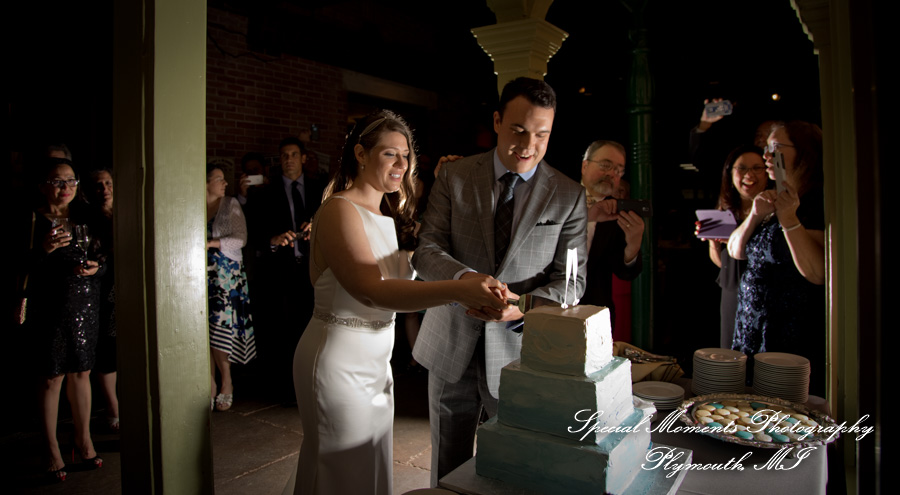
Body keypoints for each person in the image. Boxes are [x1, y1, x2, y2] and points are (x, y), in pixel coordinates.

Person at [282, 110, 507, 495]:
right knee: (340, 472)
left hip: (375, 363)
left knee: (368, 469)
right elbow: (373, 289)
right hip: (338, 362)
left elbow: (415, 262)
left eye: (406, 155)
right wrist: (456, 292)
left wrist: (465, 278)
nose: (402, 164)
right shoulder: (339, 209)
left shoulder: (384, 216)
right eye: (390, 154)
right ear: (361, 153)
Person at [412, 77, 588, 486]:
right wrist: (463, 279)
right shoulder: (455, 175)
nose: (529, 144)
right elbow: (427, 249)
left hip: (517, 354)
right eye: (519, 130)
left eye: (542, 134)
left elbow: (572, 282)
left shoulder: (568, 195)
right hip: (449, 342)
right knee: (447, 472)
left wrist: (521, 307)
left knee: (514, 470)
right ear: (496, 120)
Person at [727, 121, 825, 395]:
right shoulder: (773, 198)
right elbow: (735, 251)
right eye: (766, 148)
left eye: (776, 148)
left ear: (805, 153)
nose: (767, 156)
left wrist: (790, 220)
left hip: (787, 338)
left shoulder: (815, 203)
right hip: (752, 330)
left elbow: (817, 272)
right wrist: (756, 215)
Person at [25, 158, 103, 482]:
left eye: (71, 181)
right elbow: (20, 264)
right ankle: (51, 449)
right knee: (51, 377)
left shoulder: (85, 216)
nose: (66, 187)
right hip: (50, 305)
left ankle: (83, 442)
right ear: (44, 185)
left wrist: (98, 267)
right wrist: (42, 249)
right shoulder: (32, 219)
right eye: (58, 182)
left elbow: (103, 256)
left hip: (84, 302)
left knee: (82, 372)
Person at [246, 138, 324, 398]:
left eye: (293, 154)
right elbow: (253, 231)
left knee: (312, 327)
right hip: (280, 270)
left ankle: (313, 383)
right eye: (284, 155)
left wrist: (317, 228)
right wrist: (273, 240)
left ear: (303, 158)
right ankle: (286, 389)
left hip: (313, 270)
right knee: (282, 330)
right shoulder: (265, 193)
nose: (288, 159)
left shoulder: (320, 190)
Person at [698, 145, 768, 348]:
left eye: (757, 168)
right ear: (731, 174)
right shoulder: (724, 211)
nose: (749, 175)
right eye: (742, 168)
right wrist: (712, 242)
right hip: (731, 291)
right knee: (730, 349)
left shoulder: (774, 209)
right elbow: (723, 264)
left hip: (762, 293)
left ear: (767, 173)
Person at [579, 140, 644, 331]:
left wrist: (633, 245)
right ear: (585, 165)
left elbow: (625, 272)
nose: (611, 174)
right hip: (550, 309)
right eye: (606, 165)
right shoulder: (559, 198)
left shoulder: (617, 213)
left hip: (595, 315)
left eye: (618, 170)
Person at [206, 164, 256, 411]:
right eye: (219, 179)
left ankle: (226, 382)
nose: (225, 184)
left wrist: (210, 243)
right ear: (205, 183)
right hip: (200, 275)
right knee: (202, 329)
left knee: (220, 326)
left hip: (225, 276)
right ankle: (208, 382)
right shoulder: (192, 206)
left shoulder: (230, 205)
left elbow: (240, 238)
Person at [87, 169, 120, 431]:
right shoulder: (87, 219)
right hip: (99, 290)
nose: (104, 188)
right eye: (99, 185)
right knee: (106, 349)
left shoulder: (127, 213)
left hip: (128, 287)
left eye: (108, 183)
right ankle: (113, 408)